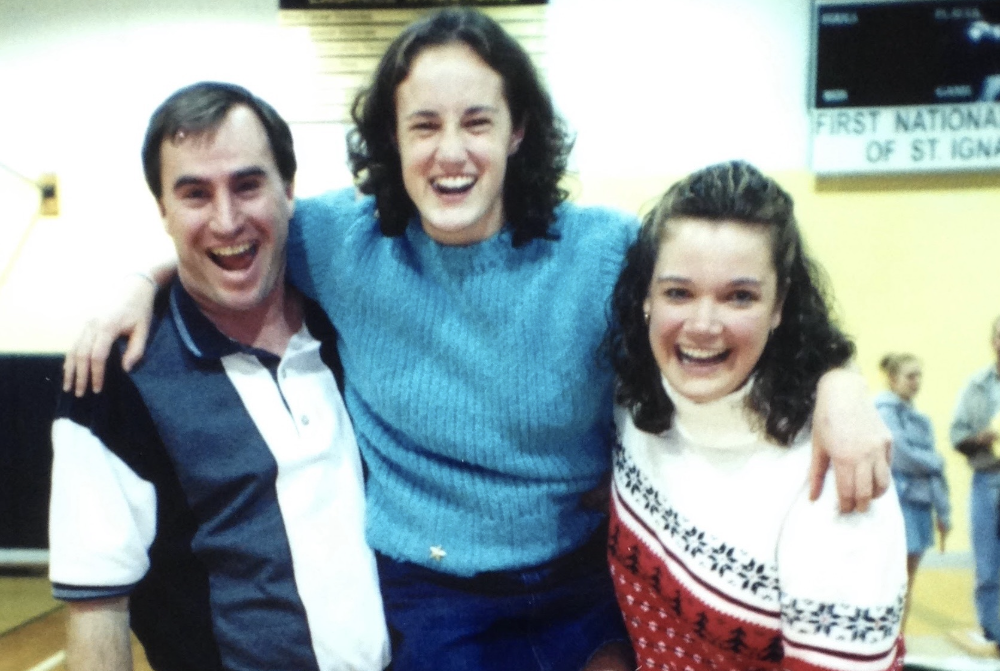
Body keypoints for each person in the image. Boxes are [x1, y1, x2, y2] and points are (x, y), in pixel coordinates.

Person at [61, 9, 893, 671]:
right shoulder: (347, 244)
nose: (450, 151)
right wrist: (141, 279)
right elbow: (234, 233)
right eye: (423, 125)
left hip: (581, 581)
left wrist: (839, 383)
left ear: (517, 130)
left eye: (475, 121)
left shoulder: (602, 250)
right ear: (393, 138)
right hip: (432, 599)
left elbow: (726, 290)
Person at [48, 82, 390, 671]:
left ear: (289, 189)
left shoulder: (349, 322)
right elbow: (98, 607)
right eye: (195, 194)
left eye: (247, 184)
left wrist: (144, 276)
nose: (227, 219)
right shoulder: (116, 378)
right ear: (163, 210)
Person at [604, 160, 907, 671]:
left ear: (780, 305)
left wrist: (843, 384)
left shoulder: (832, 472)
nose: (703, 325)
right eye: (678, 291)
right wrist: (843, 377)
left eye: (739, 296)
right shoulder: (631, 402)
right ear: (646, 298)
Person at [875, 353, 950, 629]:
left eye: (919, 375)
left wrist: (944, 512)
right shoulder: (882, 411)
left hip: (920, 505)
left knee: (907, 583)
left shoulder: (919, 417)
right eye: (910, 376)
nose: (916, 381)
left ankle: (899, 644)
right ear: (893, 379)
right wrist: (934, 461)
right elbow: (900, 454)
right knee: (889, 582)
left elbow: (932, 473)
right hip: (898, 503)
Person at [949, 316, 1000, 656]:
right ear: (993, 340)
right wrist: (982, 437)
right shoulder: (977, 384)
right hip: (988, 479)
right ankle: (994, 633)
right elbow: (957, 436)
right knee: (987, 565)